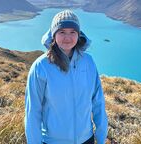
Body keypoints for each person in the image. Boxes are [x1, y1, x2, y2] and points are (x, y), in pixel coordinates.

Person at [25, 9, 108, 144]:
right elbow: (33, 111)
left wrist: (101, 135)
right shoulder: (41, 66)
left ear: (79, 34)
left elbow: (98, 101)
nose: (67, 38)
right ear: (53, 34)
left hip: (86, 139)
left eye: (72, 32)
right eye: (62, 32)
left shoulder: (88, 62)